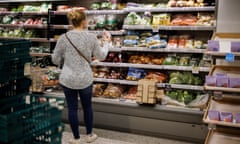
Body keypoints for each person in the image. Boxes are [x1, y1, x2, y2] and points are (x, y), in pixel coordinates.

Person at [52, 8, 111, 144]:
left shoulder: (64, 38)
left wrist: (64, 60)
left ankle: (76, 138)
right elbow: (102, 56)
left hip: (68, 78)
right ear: (84, 21)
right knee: (87, 107)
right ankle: (89, 135)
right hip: (85, 78)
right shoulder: (91, 37)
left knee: (72, 108)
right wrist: (106, 43)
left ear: (72, 21)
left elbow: (55, 59)